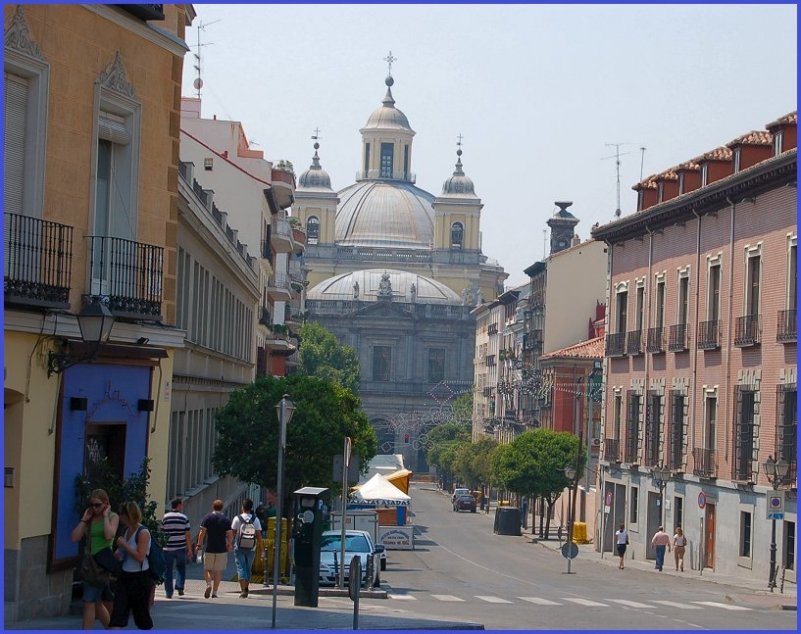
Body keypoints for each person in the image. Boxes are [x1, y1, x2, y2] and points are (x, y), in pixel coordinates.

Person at [71, 488, 120, 630]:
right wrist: (84, 520)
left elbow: (109, 535)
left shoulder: (112, 516)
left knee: (89, 603)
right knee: (97, 603)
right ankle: (112, 630)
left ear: (106, 503)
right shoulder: (90, 517)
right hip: (89, 565)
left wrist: (105, 516)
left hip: (101, 565)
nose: (94, 508)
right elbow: (74, 537)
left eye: (98, 505)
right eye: (92, 504)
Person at [109, 501, 154, 630]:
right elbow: (123, 553)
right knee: (117, 616)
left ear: (128, 515)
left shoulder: (143, 532)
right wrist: (118, 553)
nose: (120, 517)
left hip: (139, 579)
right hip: (125, 577)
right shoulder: (126, 530)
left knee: (141, 618)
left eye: (122, 514)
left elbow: (140, 556)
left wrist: (124, 545)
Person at [195, 499, 233, 599]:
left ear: (213, 506)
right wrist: (229, 544)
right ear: (222, 507)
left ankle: (208, 585)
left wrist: (199, 544)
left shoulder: (207, 518)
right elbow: (230, 534)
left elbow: (202, 532)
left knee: (207, 569)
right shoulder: (225, 519)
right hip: (221, 549)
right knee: (218, 571)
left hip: (209, 548)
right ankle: (215, 592)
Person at [230, 498, 264, 598]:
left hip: (239, 546)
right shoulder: (255, 519)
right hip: (252, 547)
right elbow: (259, 536)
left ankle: (243, 589)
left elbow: (232, 533)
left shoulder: (237, 518)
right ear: (251, 508)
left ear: (242, 507)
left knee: (241, 567)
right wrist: (262, 550)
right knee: (248, 568)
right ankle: (246, 588)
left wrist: (229, 544)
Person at [161, 497, 192, 598]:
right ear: (178, 505)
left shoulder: (165, 517)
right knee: (181, 568)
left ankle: (169, 592)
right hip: (180, 547)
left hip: (167, 548)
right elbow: (187, 534)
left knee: (168, 570)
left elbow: (162, 532)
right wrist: (189, 548)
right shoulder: (184, 518)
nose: (182, 506)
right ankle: (179, 586)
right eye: (181, 504)